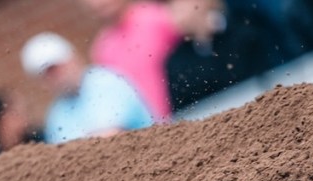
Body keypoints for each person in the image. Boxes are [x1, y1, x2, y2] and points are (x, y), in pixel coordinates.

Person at [81, 0, 226, 121]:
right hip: (149, 134)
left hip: (187, 115)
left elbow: (196, 48)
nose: (99, 3)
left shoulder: (156, 16)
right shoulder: (101, 49)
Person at [20, 31, 154, 144]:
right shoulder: (56, 115)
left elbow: (110, 139)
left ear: (73, 58)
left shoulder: (105, 81)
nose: (55, 78)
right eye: (46, 75)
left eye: (56, 69)